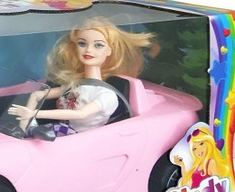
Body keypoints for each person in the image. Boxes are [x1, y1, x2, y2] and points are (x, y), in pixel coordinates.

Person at [8, 18, 154, 138]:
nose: (88, 50)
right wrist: (24, 124)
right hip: (61, 133)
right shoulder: (76, 85)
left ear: (109, 50)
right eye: (82, 43)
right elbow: (37, 94)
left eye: (98, 45)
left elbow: (80, 114)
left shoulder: (106, 95)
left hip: (83, 140)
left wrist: (34, 113)